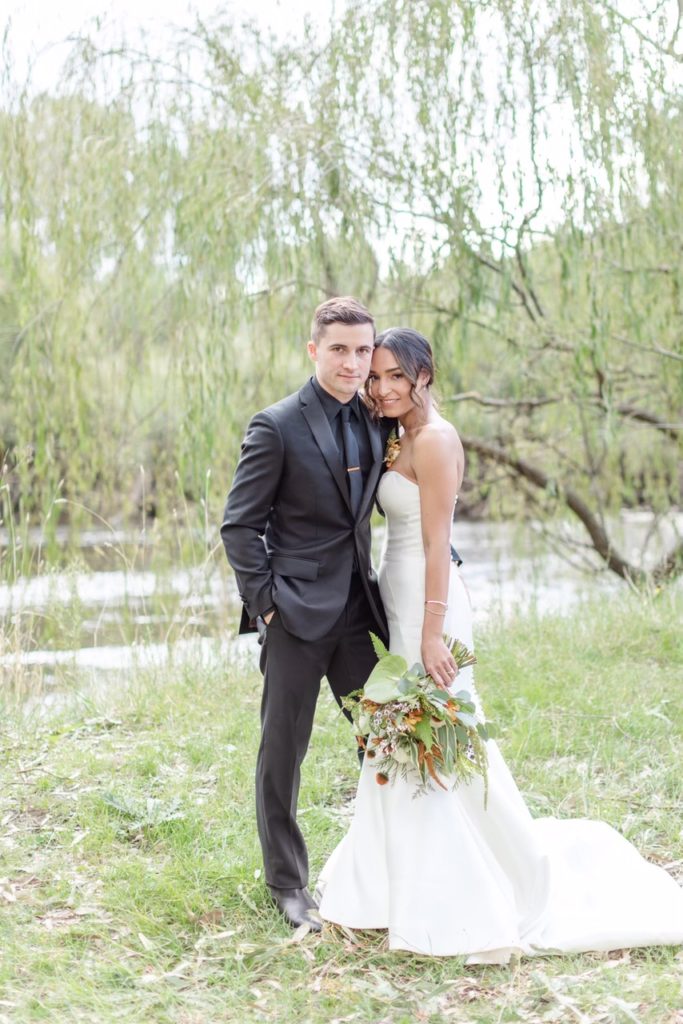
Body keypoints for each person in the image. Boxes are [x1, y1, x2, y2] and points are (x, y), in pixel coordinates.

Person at [318, 327, 683, 961]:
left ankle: (479, 879)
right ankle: (389, 877)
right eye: (375, 377)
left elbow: (438, 545)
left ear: (424, 374)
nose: (382, 387)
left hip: (431, 600)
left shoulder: (435, 442)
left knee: (445, 721)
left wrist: (433, 631)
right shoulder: (396, 433)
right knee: (405, 728)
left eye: (395, 376)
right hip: (400, 594)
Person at [220, 296, 395, 932]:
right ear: (313, 350)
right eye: (339, 349)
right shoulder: (276, 425)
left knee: (385, 741)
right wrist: (267, 608)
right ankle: (287, 885)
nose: (353, 363)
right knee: (283, 750)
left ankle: (387, 868)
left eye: (362, 350)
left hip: (357, 612)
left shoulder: (378, 420)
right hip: (293, 615)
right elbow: (240, 527)